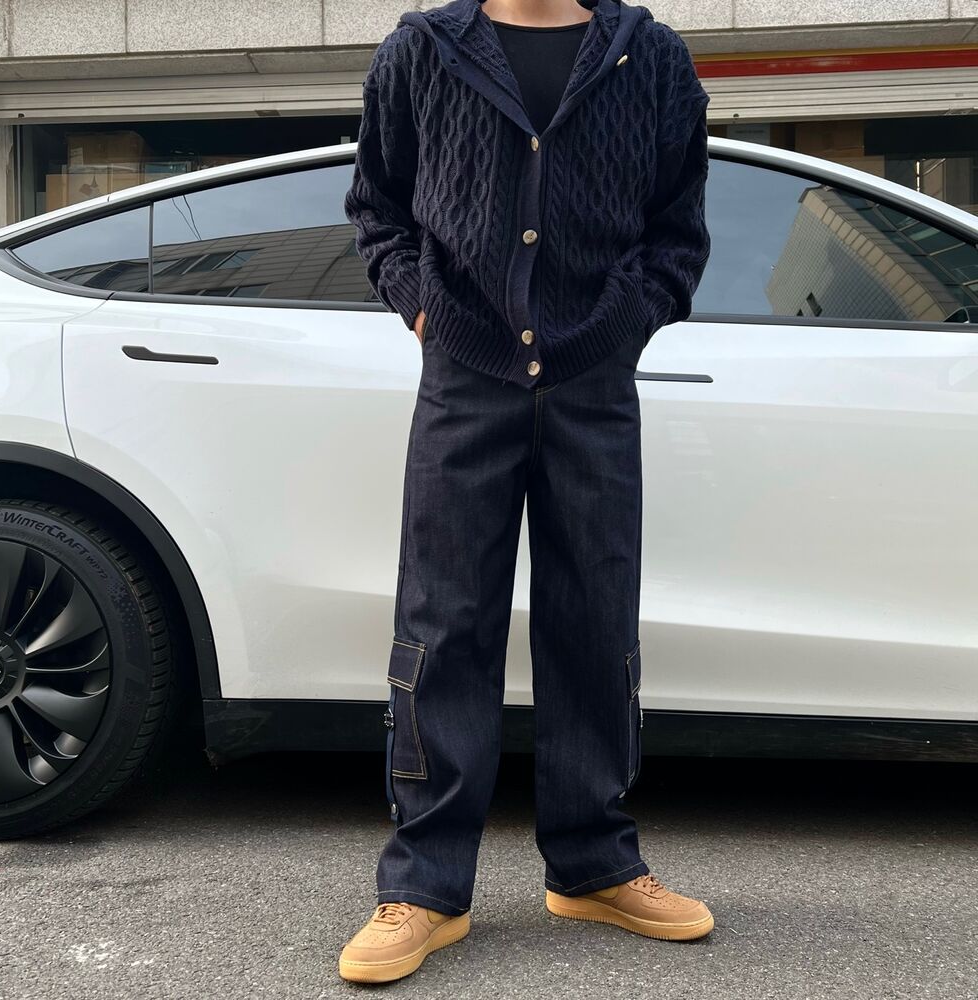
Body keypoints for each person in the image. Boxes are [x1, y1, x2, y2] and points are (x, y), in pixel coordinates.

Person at [340, 0, 713, 982]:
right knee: (445, 619)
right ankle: (424, 885)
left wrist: (626, 322)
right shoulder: (423, 52)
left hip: (594, 379)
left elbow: (678, 228)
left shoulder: (649, 58)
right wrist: (422, 305)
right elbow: (376, 205)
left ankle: (594, 864)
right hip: (465, 374)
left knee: (595, 613)